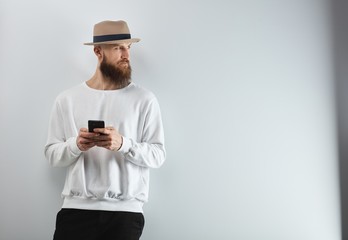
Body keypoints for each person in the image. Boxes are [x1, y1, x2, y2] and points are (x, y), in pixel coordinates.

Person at [44, 20, 166, 240]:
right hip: (75, 212)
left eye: (128, 47)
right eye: (118, 47)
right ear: (98, 51)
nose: (126, 54)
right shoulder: (67, 100)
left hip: (125, 216)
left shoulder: (145, 100)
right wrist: (76, 145)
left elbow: (158, 156)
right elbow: (52, 156)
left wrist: (123, 144)